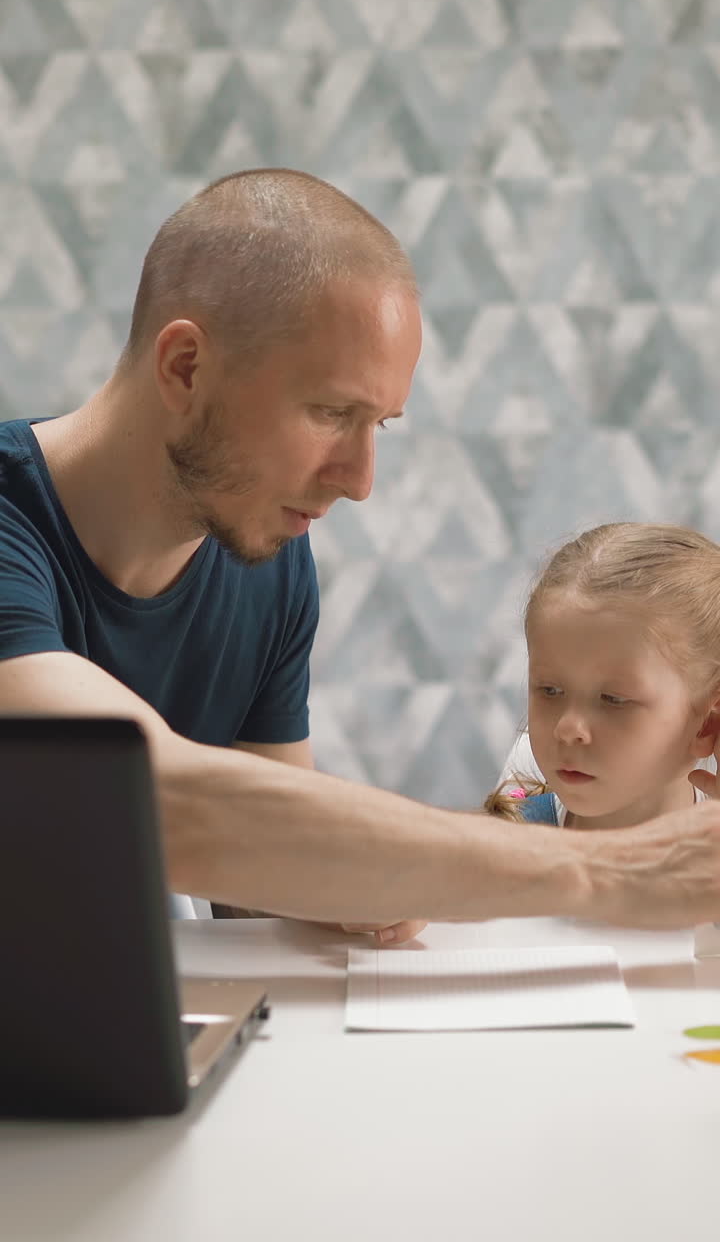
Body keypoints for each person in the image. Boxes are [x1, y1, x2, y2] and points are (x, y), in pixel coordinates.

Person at [3, 167, 720, 937]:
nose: (359, 480)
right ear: (186, 367)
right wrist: (609, 869)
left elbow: (261, 865)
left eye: (378, 425)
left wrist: (354, 892)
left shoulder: (266, 560)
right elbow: (148, 798)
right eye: (331, 412)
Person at [486, 523, 720, 830]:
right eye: (550, 690)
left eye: (614, 699)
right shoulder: (506, 844)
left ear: (706, 725)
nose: (567, 728)